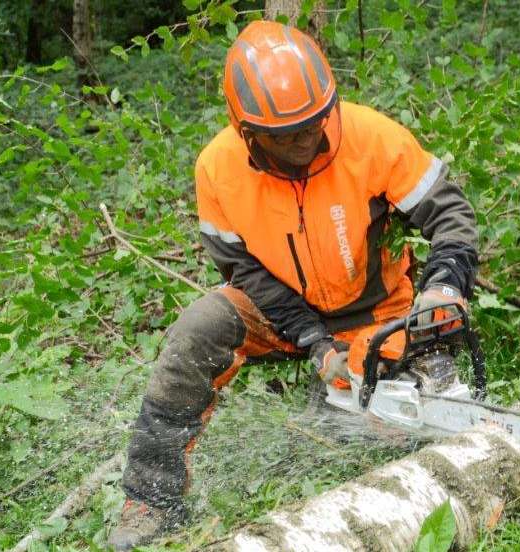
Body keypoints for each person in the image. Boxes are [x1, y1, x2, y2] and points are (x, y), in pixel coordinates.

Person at [107, 20, 478, 550]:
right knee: (198, 330)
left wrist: (444, 285)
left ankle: (361, 398)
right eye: (287, 135)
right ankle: (150, 500)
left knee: (377, 423)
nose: (306, 141)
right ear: (248, 132)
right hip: (280, 312)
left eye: (313, 125)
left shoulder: (369, 136)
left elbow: (450, 213)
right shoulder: (218, 170)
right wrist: (314, 343)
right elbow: (247, 275)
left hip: (378, 309)